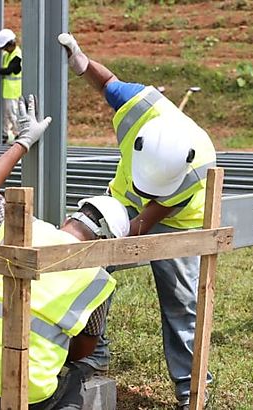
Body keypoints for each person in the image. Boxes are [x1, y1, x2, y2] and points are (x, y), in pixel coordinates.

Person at [0, 95, 131, 410]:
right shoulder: (98, 280)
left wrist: (23, 141)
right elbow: (82, 350)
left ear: (70, 218)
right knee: (75, 380)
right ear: (105, 247)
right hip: (16, 400)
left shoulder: (18, 229)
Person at [58, 33, 217, 410]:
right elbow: (108, 83)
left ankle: (191, 391)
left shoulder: (196, 168)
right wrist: (82, 63)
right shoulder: (139, 108)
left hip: (179, 223)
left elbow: (142, 224)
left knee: (181, 302)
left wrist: (108, 241)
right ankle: (93, 353)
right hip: (120, 201)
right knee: (90, 270)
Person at [0, 28, 22, 144]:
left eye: (5, 47)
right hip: (7, 91)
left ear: (11, 44)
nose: (4, 49)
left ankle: (19, 135)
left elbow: (8, 70)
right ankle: (4, 135)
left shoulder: (17, 55)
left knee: (13, 115)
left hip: (14, 91)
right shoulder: (8, 54)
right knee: (6, 116)